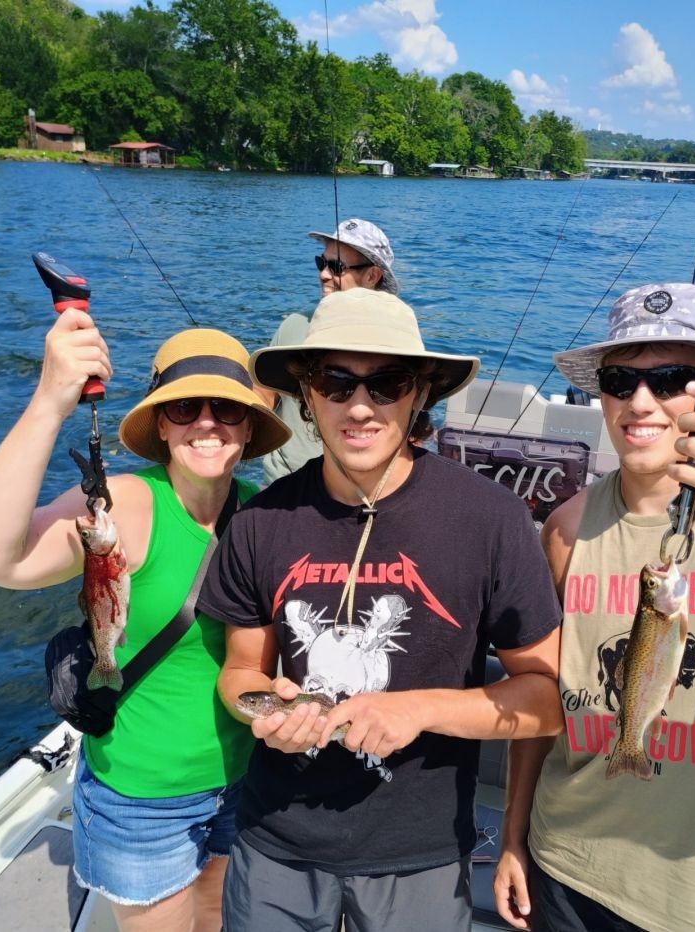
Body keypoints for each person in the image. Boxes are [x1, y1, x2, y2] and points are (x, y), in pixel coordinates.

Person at [196, 287, 564, 932]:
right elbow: (239, 675)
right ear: (306, 396)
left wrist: (420, 709)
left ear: (419, 393)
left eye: (386, 383)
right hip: (274, 839)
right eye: (336, 384)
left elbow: (549, 700)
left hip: (419, 853)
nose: (360, 407)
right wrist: (268, 710)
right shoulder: (258, 522)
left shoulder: (491, 518)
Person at [0, 310, 290, 932]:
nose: (206, 424)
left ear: (250, 427)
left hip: (248, 775)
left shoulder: (266, 513)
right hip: (143, 798)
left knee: (219, 914)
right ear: (160, 425)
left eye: (227, 409)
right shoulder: (126, 507)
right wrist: (50, 400)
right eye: (184, 407)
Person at [493, 282, 695, 932]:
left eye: (673, 379)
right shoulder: (563, 529)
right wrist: (512, 839)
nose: (641, 402)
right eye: (621, 380)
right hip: (564, 864)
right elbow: (543, 699)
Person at [262, 217, 399, 485]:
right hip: (280, 485)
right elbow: (263, 395)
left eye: (336, 267)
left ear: (373, 276)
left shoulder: (395, 343)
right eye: (321, 263)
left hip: (355, 490)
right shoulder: (294, 326)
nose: (323, 274)